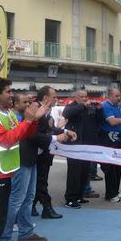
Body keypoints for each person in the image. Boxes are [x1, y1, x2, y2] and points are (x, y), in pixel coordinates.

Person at [0, 78, 60, 241]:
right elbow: (8, 139)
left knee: (27, 199)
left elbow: (24, 133)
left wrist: (33, 120)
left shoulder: (9, 113)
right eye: (8, 91)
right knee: (13, 203)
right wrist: (30, 120)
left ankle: (24, 233)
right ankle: (5, 237)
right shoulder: (1, 115)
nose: (11, 94)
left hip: (18, 162)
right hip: (7, 168)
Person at [33, 86, 74, 219]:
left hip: (43, 153)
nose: (56, 99)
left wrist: (66, 131)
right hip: (34, 153)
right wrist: (56, 137)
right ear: (45, 98)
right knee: (41, 181)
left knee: (39, 181)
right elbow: (37, 134)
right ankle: (47, 207)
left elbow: (51, 129)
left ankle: (32, 206)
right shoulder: (35, 109)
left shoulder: (46, 111)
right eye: (54, 97)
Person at [62, 90, 103, 209]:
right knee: (74, 173)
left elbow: (99, 121)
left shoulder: (90, 108)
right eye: (82, 97)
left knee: (84, 172)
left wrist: (99, 109)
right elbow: (67, 113)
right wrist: (82, 106)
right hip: (74, 146)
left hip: (87, 146)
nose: (85, 99)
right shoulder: (72, 106)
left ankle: (79, 196)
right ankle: (70, 199)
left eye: (86, 97)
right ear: (76, 97)